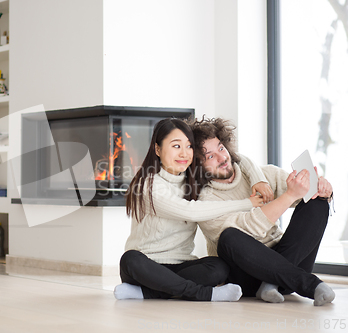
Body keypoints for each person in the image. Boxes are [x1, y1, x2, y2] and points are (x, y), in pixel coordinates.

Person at [114, 118, 265, 302]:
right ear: (158, 149)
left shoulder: (194, 179)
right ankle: (206, 294)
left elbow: (237, 159)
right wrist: (247, 203)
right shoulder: (148, 185)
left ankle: (148, 293)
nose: (184, 153)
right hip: (147, 266)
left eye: (189, 146)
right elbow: (190, 211)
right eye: (176, 146)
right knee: (130, 260)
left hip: (181, 265)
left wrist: (260, 180)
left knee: (219, 266)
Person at [190, 116, 335, 306]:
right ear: (197, 166)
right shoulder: (204, 201)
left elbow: (305, 196)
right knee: (229, 237)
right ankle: (309, 284)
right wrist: (290, 196)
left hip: (289, 261)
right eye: (210, 156)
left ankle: (272, 283)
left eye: (221, 148)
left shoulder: (263, 174)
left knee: (318, 203)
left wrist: (323, 190)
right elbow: (248, 228)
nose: (221, 157)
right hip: (249, 276)